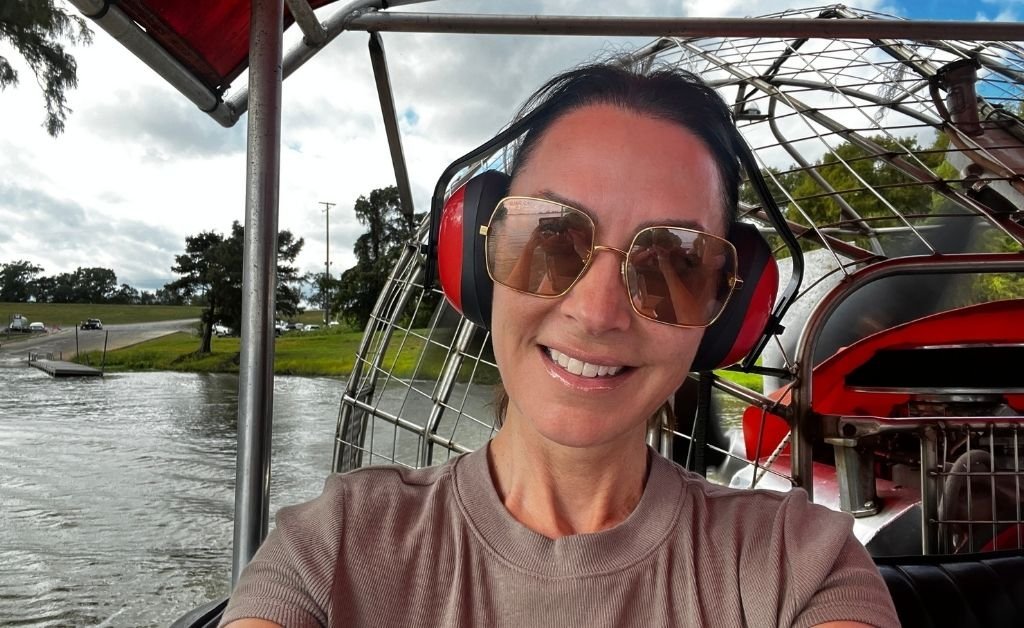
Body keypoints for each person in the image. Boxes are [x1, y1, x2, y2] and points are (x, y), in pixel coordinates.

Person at [219, 59, 900, 628]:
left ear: (727, 313)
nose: (597, 311)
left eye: (673, 264)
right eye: (550, 238)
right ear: (474, 255)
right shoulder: (332, 548)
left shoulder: (801, 564)